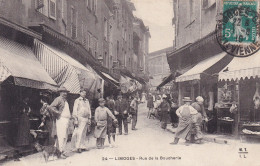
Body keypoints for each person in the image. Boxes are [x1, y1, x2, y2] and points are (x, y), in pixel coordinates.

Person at [48, 86, 71, 159]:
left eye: (65, 92)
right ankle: (59, 153)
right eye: (63, 92)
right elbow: (51, 107)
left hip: (66, 120)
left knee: (65, 137)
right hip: (61, 119)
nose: (65, 93)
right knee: (61, 136)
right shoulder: (58, 99)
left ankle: (62, 151)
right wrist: (58, 113)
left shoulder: (65, 100)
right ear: (60, 92)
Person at [71, 89, 91, 153]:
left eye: (85, 93)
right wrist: (75, 119)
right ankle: (77, 147)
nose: (84, 94)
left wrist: (89, 118)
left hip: (86, 118)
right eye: (83, 93)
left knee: (84, 133)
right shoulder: (77, 100)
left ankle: (82, 146)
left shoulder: (87, 101)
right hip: (80, 118)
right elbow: (74, 110)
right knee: (78, 132)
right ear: (80, 93)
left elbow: (89, 109)